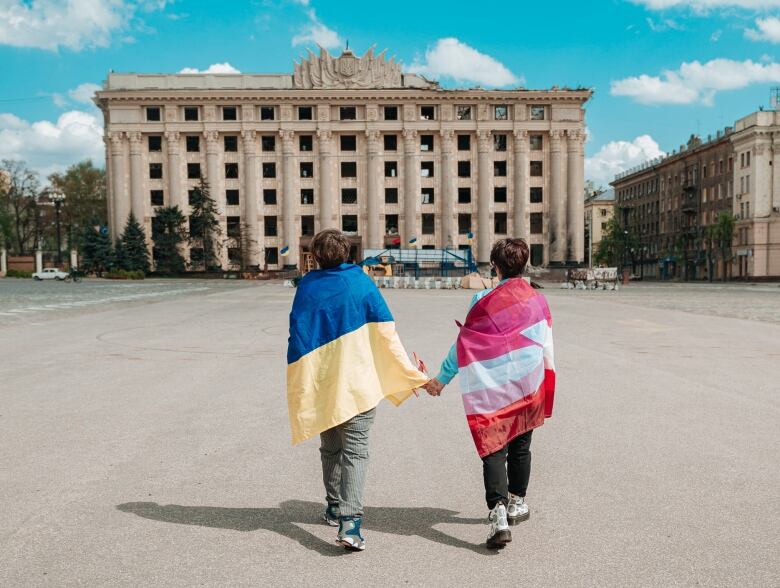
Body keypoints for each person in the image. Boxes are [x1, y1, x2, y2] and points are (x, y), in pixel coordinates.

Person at [287, 229, 428, 551]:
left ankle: (335, 506)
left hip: (324, 384)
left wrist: (302, 380)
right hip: (359, 384)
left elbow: (298, 335)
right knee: (355, 452)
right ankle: (350, 524)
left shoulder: (307, 287)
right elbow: (386, 333)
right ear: (348, 255)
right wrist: (410, 373)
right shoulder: (362, 283)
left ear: (316, 257)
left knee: (331, 449)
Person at [423, 238, 556, 549]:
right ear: (525, 266)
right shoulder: (538, 301)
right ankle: (517, 502)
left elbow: (465, 344)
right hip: (528, 384)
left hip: (492, 387)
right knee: (521, 445)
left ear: (496, 267)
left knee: (494, 447)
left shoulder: (482, 300)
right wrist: (547, 382)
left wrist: (441, 379)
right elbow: (545, 344)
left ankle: (497, 513)